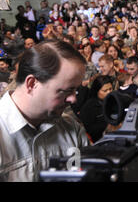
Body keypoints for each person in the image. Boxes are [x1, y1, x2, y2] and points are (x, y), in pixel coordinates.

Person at [0, 40, 89, 181]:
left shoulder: (72, 128)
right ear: (32, 83)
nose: (73, 99)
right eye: (67, 90)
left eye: (76, 90)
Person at [79, 75, 114, 143]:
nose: (109, 92)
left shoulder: (115, 100)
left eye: (110, 89)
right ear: (97, 91)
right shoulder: (89, 107)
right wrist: (108, 126)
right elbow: (89, 129)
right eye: (105, 90)